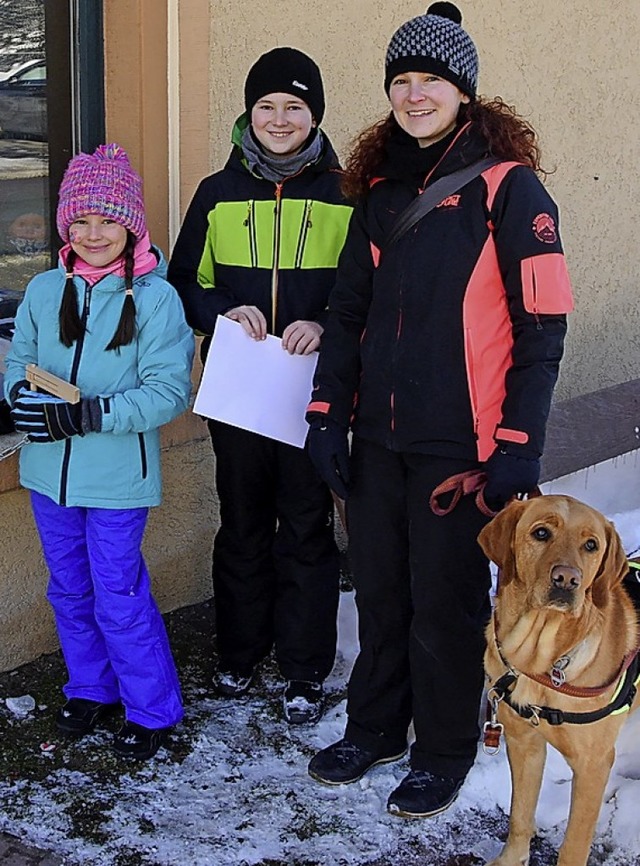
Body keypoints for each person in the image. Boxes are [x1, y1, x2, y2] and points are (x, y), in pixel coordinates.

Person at [305, 2, 574, 816]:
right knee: (382, 588)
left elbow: (544, 325)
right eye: (401, 80)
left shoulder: (509, 187)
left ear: (464, 90)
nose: (414, 94)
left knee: (446, 598)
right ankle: (377, 723)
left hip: (463, 446)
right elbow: (348, 310)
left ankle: (446, 747)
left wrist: (519, 446)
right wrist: (326, 412)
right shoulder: (381, 189)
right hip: (379, 436)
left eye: (431, 79)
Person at [168, 48, 353, 725]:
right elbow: (184, 283)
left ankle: (304, 669)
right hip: (240, 393)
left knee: (305, 526)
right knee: (242, 523)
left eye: (295, 107)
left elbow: (367, 291)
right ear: (249, 113)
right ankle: (239, 654)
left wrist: (327, 323)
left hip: (310, 393)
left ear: (314, 117)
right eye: (268, 105)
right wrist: (220, 311)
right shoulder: (217, 194)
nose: (280, 118)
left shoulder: (343, 191)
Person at [4, 144, 195, 760]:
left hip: (116, 478)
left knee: (118, 590)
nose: (93, 234)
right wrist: (17, 397)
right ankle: (91, 688)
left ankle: (152, 709)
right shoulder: (40, 290)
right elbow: (18, 360)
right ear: (65, 225)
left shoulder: (158, 300)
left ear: (131, 225)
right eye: (80, 221)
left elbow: (168, 391)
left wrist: (92, 412)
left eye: (107, 220)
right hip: (46, 472)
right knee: (68, 587)